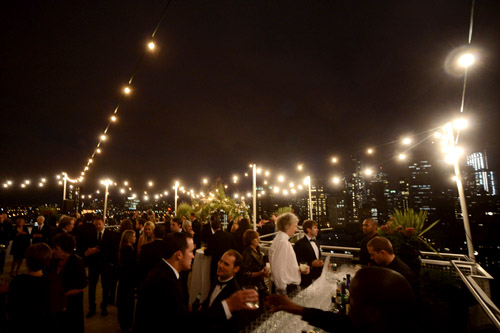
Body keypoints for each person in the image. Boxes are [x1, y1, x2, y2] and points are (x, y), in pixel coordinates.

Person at [134, 232, 259, 332]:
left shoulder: (166, 273)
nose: (193, 256)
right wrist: (229, 305)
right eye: (190, 251)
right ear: (179, 255)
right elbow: (185, 323)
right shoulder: (164, 281)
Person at [266, 266, 417, 333]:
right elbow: (340, 323)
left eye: (352, 298)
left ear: (372, 313)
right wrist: (296, 308)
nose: (348, 300)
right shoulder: (374, 326)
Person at [8, 243, 65, 332]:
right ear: (47, 263)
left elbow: (11, 307)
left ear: (27, 261)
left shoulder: (17, 281)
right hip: (46, 326)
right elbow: (61, 307)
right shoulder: (53, 282)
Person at [48, 233, 87, 333]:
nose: (53, 251)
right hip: (55, 306)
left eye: (56, 248)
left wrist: (61, 295)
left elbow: (81, 286)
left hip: (72, 305)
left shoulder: (77, 262)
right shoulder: (53, 261)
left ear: (65, 250)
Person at [200, 250, 243, 331]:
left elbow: (234, 324)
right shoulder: (217, 278)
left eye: (226, 264)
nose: (220, 265)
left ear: (236, 269)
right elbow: (211, 299)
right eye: (220, 261)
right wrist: (202, 305)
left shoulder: (235, 292)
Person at [269, 213, 309, 295]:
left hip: (285, 286)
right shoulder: (282, 242)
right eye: (295, 226)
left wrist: (297, 269)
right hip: (285, 288)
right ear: (288, 226)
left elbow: (283, 266)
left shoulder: (281, 240)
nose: (296, 229)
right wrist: (282, 291)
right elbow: (278, 269)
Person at [84, 217, 115, 318]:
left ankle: (104, 307)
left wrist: (98, 250)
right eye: (96, 224)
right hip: (93, 264)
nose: (97, 226)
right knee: (92, 287)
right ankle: (91, 308)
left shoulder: (110, 234)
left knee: (105, 287)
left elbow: (112, 250)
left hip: (105, 264)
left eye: (99, 224)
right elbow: (87, 247)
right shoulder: (91, 234)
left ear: (104, 223)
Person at [241, 230, 269, 307]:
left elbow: (261, 264)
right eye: (256, 238)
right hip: (251, 285)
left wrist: (265, 269)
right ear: (250, 240)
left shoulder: (257, 249)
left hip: (260, 283)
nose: (259, 239)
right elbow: (244, 273)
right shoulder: (247, 253)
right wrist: (259, 273)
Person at [205, 216, 237, 282]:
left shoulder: (212, 237)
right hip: (229, 263)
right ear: (220, 226)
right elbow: (235, 248)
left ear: (212, 228)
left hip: (216, 264)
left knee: (215, 282)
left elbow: (207, 252)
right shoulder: (229, 235)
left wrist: (205, 250)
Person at [117, 230, 137, 333]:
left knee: (123, 302)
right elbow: (132, 267)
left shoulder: (122, 247)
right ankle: (127, 324)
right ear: (129, 238)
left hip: (123, 280)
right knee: (128, 304)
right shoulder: (129, 249)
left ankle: (123, 323)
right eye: (134, 236)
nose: (135, 238)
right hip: (128, 280)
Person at [293, 219, 324, 287]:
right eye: (315, 227)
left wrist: (321, 262)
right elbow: (297, 261)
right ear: (308, 229)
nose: (317, 230)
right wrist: (311, 264)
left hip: (318, 276)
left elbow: (318, 257)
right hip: (306, 279)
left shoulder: (316, 242)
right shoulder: (299, 244)